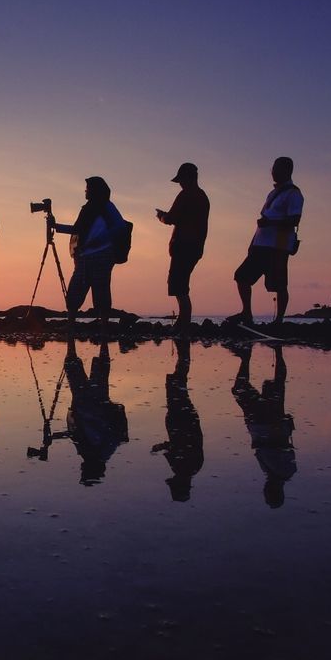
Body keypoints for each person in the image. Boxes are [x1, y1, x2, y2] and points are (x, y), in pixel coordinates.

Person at [232, 157, 303, 326]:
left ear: (287, 170)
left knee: (279, 284)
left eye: (277, 168)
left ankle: (279, 320)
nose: (273, 172)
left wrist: (270, 223)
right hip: (260, 245)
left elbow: (294, 220)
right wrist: (253, 244)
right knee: (241, 276)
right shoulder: (273, 193)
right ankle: (247, 313)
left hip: (277, 246)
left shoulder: (294, 194)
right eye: (273, 168)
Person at [50, 176, 125, 327]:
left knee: (101, 293)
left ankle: (103, 330)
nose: (85, 191)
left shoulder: (107, 206)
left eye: (88, 188)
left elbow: (120, 226)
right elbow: (77, 229)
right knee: (74, 293)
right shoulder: (88, 209)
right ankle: (71, 327)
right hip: (84, 257)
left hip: (102, 255)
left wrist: (102, 239)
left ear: (95, 190)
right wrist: (56, 226)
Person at [231, 343, 297, 508]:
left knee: (274, 387)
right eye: (269, 492)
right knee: (248, 388)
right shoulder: (282, 471)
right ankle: (264, 355)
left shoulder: (276, 472)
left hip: (263, 423)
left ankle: (270, 353)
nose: (265, 489)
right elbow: (281, 446)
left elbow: (283, 447)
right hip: (265, 423)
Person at [63, 337, 129, 485]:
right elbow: (75, 430)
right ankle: (88, 323)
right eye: (83, 470)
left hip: (90, 400)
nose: (81, 467)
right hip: (88, 400)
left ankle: (79, 321)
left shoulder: (98, 451)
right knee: (73, 362)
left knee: (81, 363)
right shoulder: (96, 451)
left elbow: (74, 431)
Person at [155, 163, 209, 328]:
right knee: (181, 283)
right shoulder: (202, 197)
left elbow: (172, 218)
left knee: (179, 285)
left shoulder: (186, 195)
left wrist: (161, 216)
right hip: (195, 247)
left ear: (189, 178)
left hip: (183, 246)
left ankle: (183, 322)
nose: (180, 183)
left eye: (182, 179)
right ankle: (183, 320)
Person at [151, 339, 204, 501]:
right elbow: (175, 447)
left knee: (178, 385)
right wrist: (161, 447)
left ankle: (183, 352)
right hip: (180, 420)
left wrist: (164, 447)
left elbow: (182, 445)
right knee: (176, 384)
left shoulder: (195, 467)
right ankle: (183, 351)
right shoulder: (180, 467)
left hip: (187, 420)